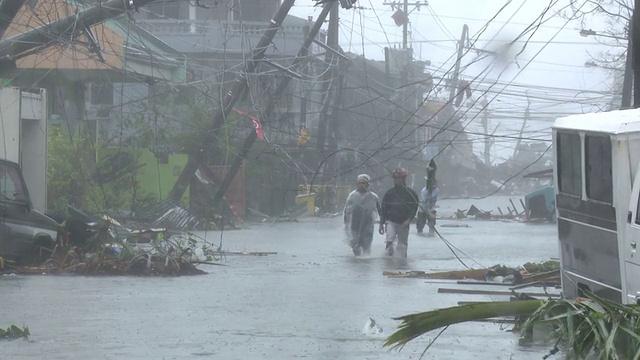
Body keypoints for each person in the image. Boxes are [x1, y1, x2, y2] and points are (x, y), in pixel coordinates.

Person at [379, 168, 419, 258]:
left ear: (403, 179)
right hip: (391, 221)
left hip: (404, 222)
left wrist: (408, 220)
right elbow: (384, 208)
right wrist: (381, 223)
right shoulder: (389, 193)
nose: (396, 180)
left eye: (398, 178)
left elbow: (414, 208)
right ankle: (388, 258)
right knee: (389, 240)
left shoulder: (411, 193)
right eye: (395, 178)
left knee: (402, 244)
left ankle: (402, 261)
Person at [343, 174, 381, 256]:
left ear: (368, 184)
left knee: (367, 244)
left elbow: (380, 210)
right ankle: (357, 260)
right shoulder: (352, 196)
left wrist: (382, 222)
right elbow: (346, 210)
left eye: (364, 183)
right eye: (359, 183)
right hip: (355, 223)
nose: (361, 185)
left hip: (368, 224)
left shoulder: (373, 196)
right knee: (354, 243)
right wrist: (346, 223)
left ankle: (366, 260)